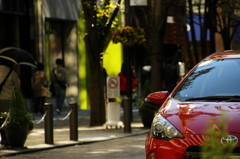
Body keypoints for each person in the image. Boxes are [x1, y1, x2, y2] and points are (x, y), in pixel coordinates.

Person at [0, 58, 21, 146]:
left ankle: (2, 137)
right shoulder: (12, 73)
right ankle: (6, 138)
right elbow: (18, 85)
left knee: (0, 119)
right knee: (8, 120)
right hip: (9, 99)